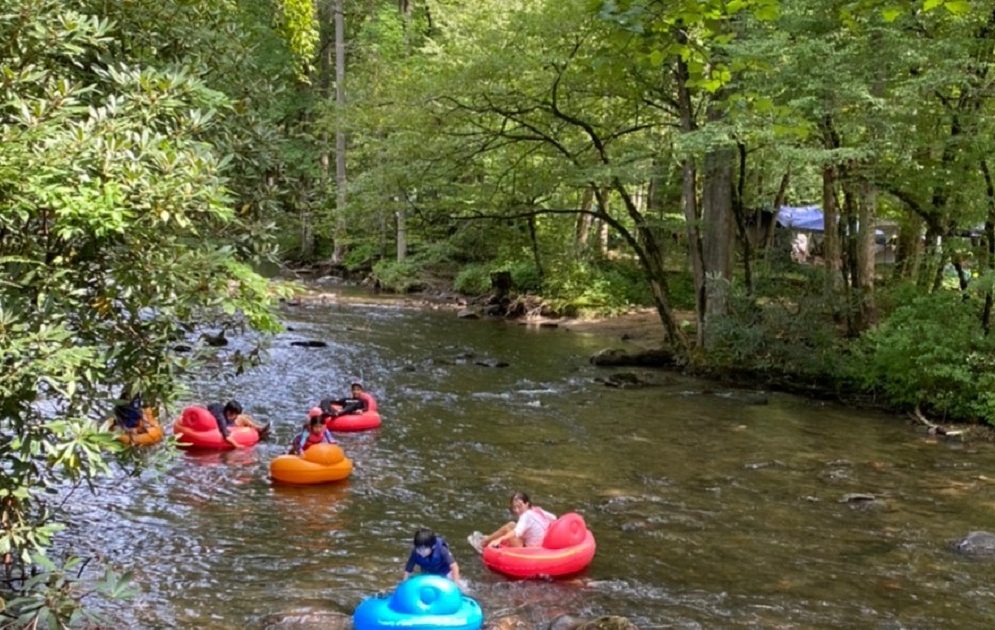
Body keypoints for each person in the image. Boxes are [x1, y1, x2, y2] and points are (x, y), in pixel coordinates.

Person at [469, 491, 556, 552]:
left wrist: (500, 539)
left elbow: (516, 532)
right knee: (512, 524)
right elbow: (554, 518)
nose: (517, 510)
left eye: (520, 506)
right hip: (543, 544)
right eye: (514, 507)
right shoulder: (537, 510)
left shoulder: (526, 516)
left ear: (527, 504)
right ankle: (488, 538)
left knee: (508, 528)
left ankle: (482, 543)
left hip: (529, 550)